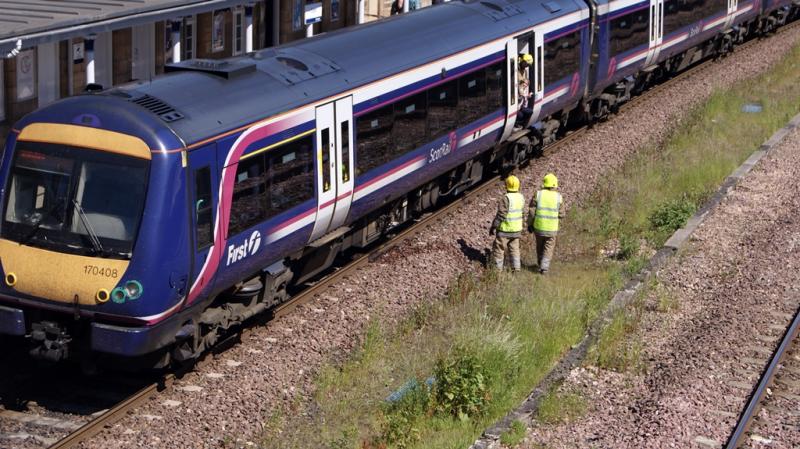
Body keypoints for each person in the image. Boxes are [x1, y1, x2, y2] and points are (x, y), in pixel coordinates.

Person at [528, 173, 565, 274]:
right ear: (555, 185)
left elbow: (531, 212)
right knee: (548, 247)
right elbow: (562, 214)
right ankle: (544, 268)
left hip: (539, 228)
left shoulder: (538, 194)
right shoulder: (558, 197)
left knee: (539, 246)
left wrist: (529, 224)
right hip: (552, 229)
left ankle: (540, 263)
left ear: (544, 183)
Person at [490, 175, 525, 272]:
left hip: (504, 230)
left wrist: (494, 226)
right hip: (516, 230)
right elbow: (523, 213)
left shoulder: (506, 198)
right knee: (515, 250)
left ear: (506, 186)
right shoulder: (521, 197)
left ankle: (497, 270)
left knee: (499, 249)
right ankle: (516, 268)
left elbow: (501, 215)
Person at [517, 53, 534, 127]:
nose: (527, 66)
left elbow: (526, 81)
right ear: (523, 61)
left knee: (529, 111)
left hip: (522, 99)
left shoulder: (525, 71)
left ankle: (521, 124)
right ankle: (517, 124)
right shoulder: (516, 70)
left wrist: (526, 83)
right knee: (520, 115)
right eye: (527, 64)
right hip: (517, 99)